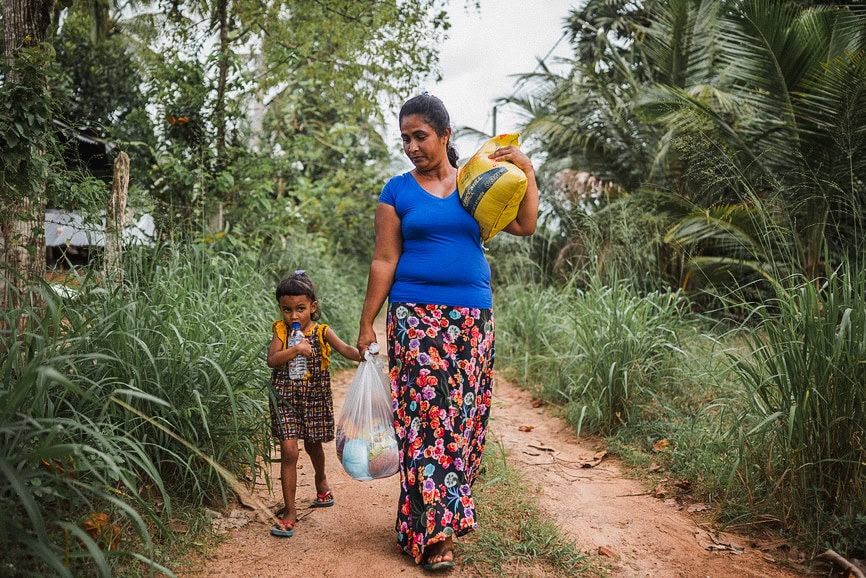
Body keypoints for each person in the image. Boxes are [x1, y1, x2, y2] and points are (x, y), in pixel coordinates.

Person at [356, 94, 538, 571]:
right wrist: (366, 322)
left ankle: (421, 520)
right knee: (426, 421)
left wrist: (526, 168)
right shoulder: (396, 190)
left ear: (445, 135)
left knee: (462, 420)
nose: (413, 147)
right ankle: (436, 536)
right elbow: (384, 259)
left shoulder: (476, 182)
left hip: (472, 319)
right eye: (406, 139)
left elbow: (524, 224)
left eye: (421, 137)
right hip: (415, 318)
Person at [267, 270, 361, 538]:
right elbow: (272, 360)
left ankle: (321, 479)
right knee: (289, 450)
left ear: (313, 307)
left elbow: (346, 350)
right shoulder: (281, 330)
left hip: (314, 398)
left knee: (312, 445)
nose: (293, 316)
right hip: (285, 397)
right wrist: (295, 349)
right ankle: (290, 511)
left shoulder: (322, 331)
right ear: (280, 309)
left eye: (300, 309)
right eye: (287, 310)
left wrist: (365, 354)